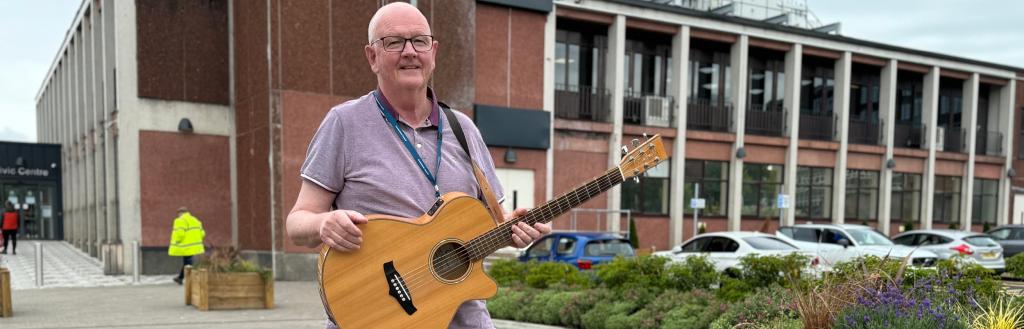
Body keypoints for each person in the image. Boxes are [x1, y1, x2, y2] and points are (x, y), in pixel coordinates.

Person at [286, 3, 551, 328]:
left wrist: (514, 229)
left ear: (433, 52)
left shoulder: (464, 130)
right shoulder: (344, 123)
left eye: (419, 41)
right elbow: (297, 223)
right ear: (372, 56)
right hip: (374, 319)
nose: (409, 52)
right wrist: (322, 224)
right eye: (394, 42)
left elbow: (492, 223)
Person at [168, 207, 205, 285]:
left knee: (189, 264)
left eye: (178, 214)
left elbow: (180, 234)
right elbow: (202, 234)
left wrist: (177, 241)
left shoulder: (180, 220)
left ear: (180, 213)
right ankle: (180, 278)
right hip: (196, 246)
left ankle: (189, 279)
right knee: (187, 263)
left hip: (186, 246)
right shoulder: (196, 220)